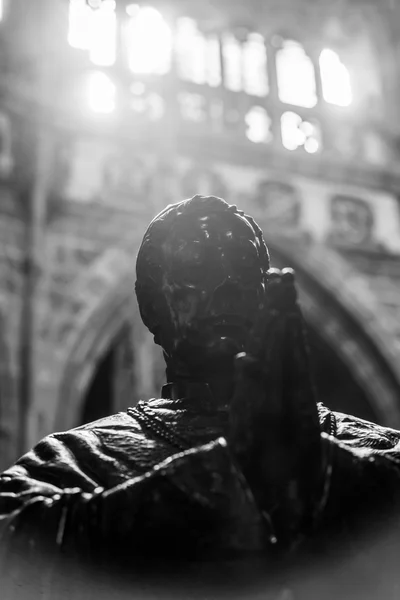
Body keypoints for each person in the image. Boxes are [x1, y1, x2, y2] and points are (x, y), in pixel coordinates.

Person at [1, 195, 400, 599]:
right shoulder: (82, 456)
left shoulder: (373, 448)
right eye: (198, 266)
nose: (228, 285)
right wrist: (225, 470)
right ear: (153, 303)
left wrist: (320, 467)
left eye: (245, 267)